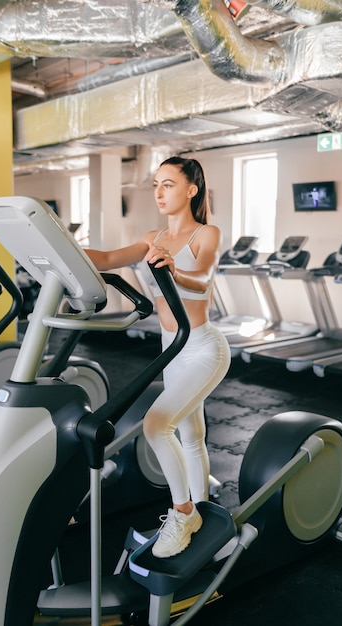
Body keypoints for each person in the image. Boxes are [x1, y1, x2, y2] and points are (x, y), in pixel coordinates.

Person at [85, 156, 231, 558]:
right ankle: (203, 512)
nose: (159, 192)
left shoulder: (207, 233)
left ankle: (183, 513)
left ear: (191, 189)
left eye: (168, 184)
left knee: (156, 426)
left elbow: (203, 279)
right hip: (172, 350)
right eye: (155, 185)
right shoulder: (152, 237)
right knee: (190, 435)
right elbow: (107, 258)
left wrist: (174, 270)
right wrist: (61, 251)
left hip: (203, 347)